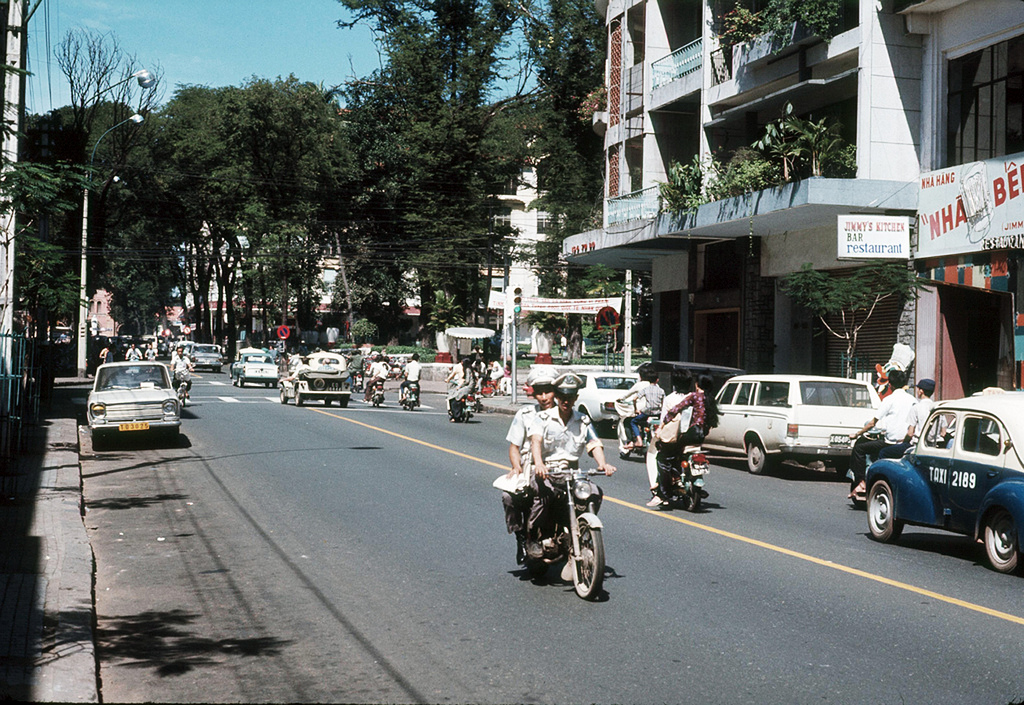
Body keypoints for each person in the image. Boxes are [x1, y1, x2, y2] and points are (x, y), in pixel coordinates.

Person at [527, 373, 616, 556]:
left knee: (594, 493)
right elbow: (536, 441)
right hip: (546, 469)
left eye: (570, 397)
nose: (566, 401)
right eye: (562, 397)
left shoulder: (583, 420)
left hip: (571, 471)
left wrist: (603, 464)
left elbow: (594, 444)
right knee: (543, 495)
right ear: (557, 397)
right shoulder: (543, 418)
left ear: (576, 398)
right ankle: (533, 536)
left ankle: (579, 527)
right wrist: (540, 464)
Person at [500, 366, 559, 563]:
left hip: (561, 468)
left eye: (548, 391)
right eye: (539, 392)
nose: (544, 397)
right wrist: (516, 467)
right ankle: (523, 537)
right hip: (531, 467)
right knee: (509, 497)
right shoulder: (525, 414)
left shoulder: (565, 412)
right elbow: (514, 447)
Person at [650, 371, 719, 507]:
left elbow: (675, 409)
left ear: (697, 384)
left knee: (664, 457)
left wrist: (662, 425)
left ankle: (664, 492)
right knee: (677, 452)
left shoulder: (692, 396)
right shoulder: (710, 399)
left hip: (689, 434)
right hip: (700, 437)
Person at [847, 368, 916, 499]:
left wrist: (857, 434)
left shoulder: (889, 400)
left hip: (890, 443)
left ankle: (861, 483)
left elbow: (872, 423)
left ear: (890, 384)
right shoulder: (913, 400)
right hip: (908, 443)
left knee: (859, 448)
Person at [878, 378, 936, 459]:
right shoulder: (937, 408)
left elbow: (910, 433)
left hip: (916, 446)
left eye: (918, 389)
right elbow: (943, 432)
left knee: (883, 452)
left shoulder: (916, 407)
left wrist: (903, 441)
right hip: (932, 447)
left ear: (921, 391)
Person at [618, 363, 664, 450]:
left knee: (628, 421)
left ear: (641, 376)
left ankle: (631, 441)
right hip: (657, 413)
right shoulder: (657, 387)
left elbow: (628, 395)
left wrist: (619, 399)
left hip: (644, 411)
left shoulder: (640, 385)